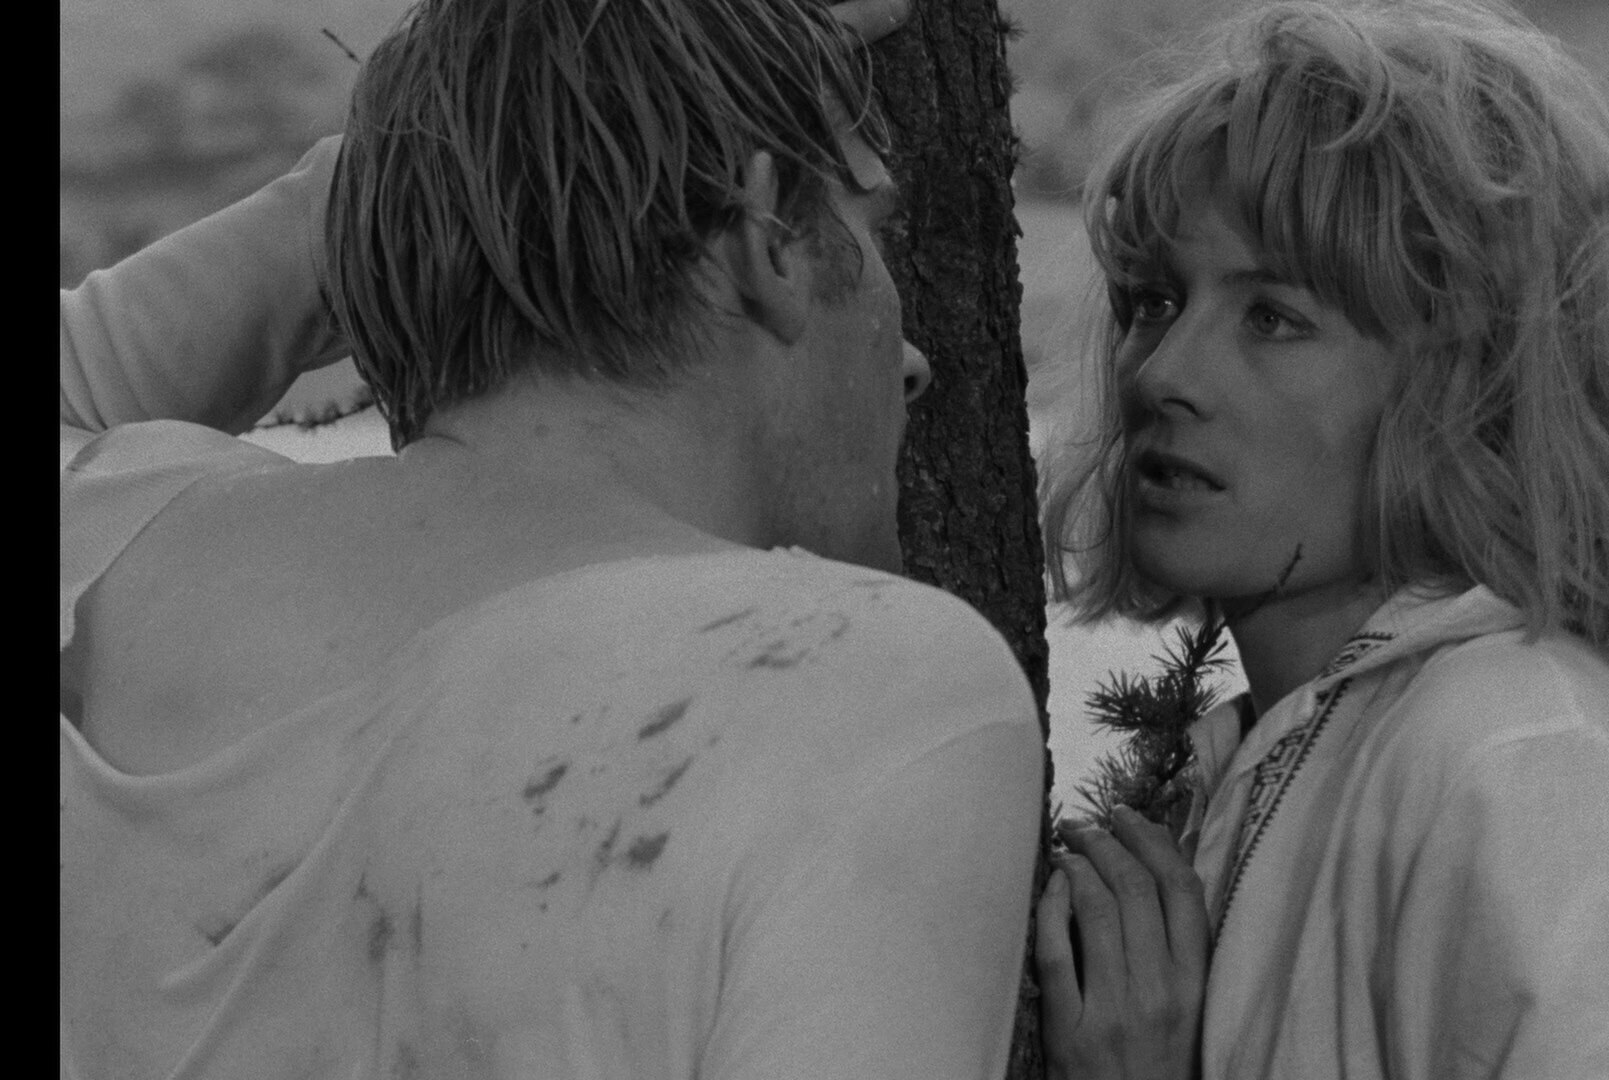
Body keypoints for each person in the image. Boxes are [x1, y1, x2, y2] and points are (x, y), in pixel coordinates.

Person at [59, 0, 1044, 1076]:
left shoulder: (113, 540)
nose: (913, 362)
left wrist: (473, 160)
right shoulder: (871, 693)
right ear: (768, 236)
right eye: (872, 226)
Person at [1030, 0, 1609, 1076]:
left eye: (1273, 318)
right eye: (1155, 302)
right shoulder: (1302, 752)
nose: (1163, 373)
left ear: (1466, 385)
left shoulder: (1533, 770)